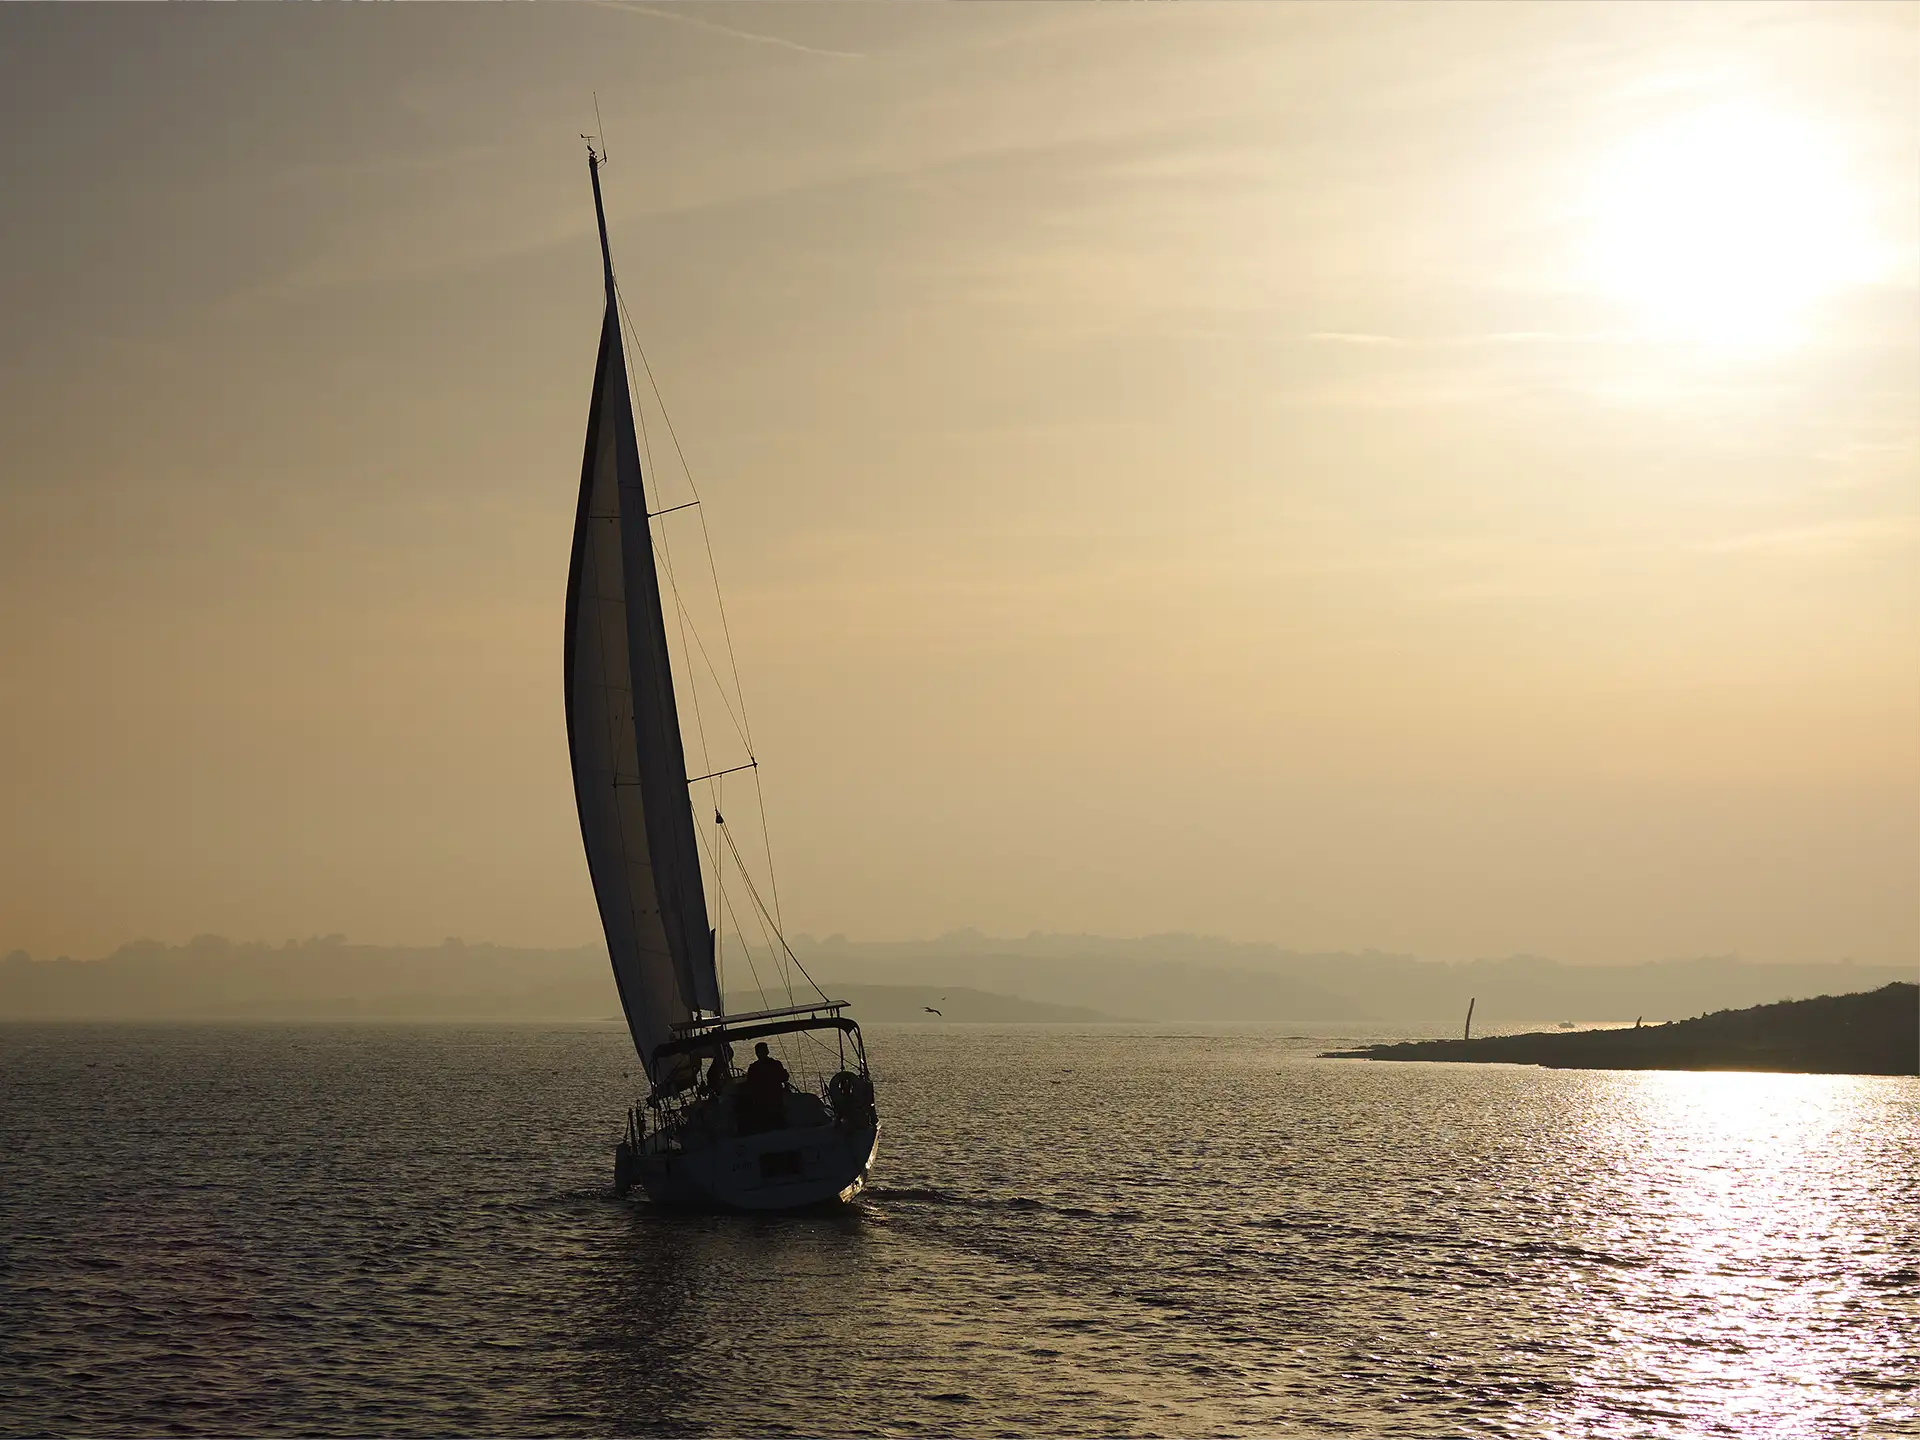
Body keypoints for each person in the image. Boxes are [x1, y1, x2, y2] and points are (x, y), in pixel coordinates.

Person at [737, 1042, 790, 1134]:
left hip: (762, 1100)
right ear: (767, 1052)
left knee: (765, 1122)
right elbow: (785, 1077)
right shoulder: (775, 1064)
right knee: (778, 1121)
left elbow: (749, 1084)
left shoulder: (754, 1067)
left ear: (757, 1053)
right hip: (775, 1098)